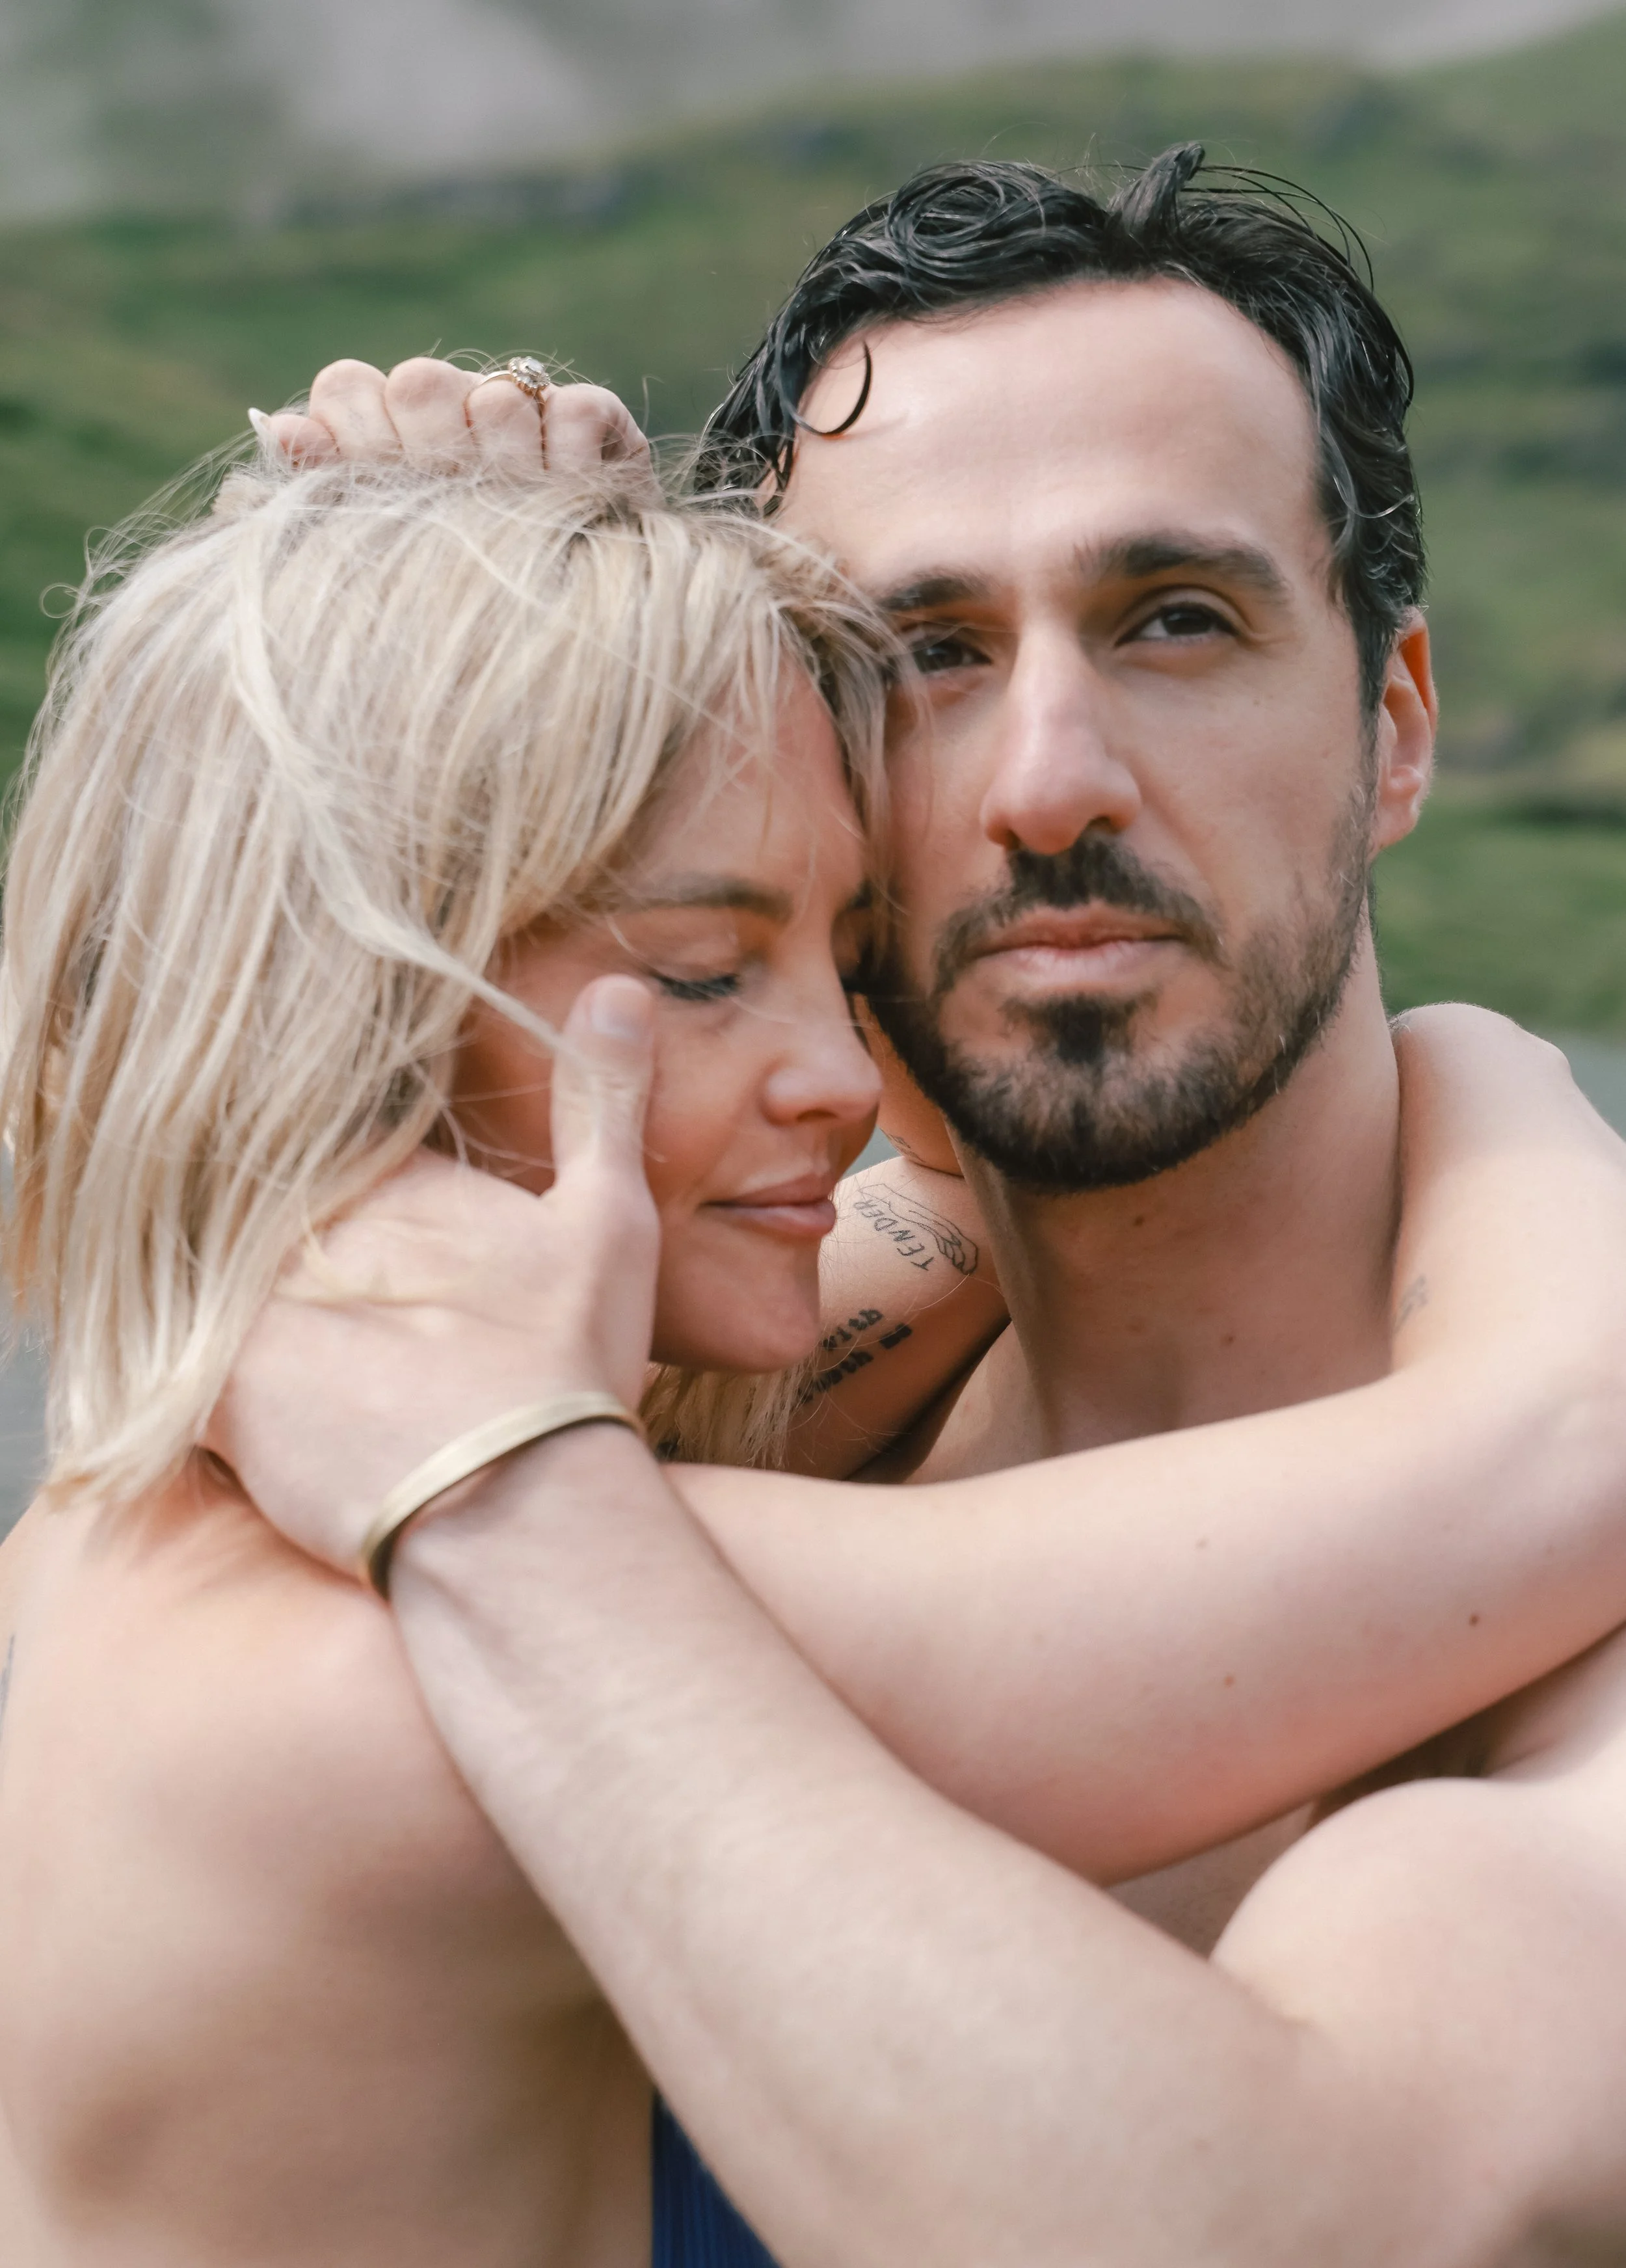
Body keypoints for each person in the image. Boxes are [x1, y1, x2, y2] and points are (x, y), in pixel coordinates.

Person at [212, 145, 1626, 2262]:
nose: (1046, 778)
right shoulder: (762, 1379)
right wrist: (395, 615)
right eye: (922, 653)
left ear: (1393, 724)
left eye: (1174, 618)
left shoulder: (1570, 1648)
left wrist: (502, 1501)